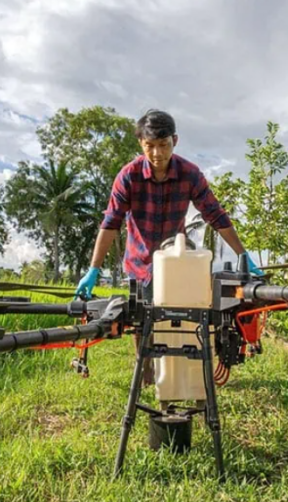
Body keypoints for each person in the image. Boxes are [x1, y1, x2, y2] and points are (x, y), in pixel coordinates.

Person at [75, 109, 263, 383]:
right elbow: (111, 223)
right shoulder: (128, 176)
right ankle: (146, 373)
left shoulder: (189, 174)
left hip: (176, 262)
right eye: (150, 146)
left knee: (180, 318)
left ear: (175, 140)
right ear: (141, 143)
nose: (157, 154)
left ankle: (179, 373)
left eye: (163, 145)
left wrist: (243, 254)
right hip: (140, 263)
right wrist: (94, 269)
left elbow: (216, 215)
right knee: (143, 319)